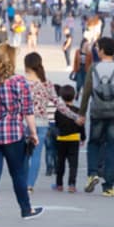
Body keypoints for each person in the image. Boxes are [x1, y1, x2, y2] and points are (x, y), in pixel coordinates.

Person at [0, 44, 44, 220]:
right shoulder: (19, 82)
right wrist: (33, 133)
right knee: (18, 172)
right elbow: (28, 110)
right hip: (12, 133)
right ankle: (25, 209)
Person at [79, 36, 114, 196]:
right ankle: (108, 186)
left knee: (94, 143)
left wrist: (82, 113)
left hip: (97, 113)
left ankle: (92, 174)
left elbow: (86, 92)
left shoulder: (93, 68)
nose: (96, 50)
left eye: (97, 47)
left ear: (102, 51)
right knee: (112, 147)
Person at [23, 52, 82, 192]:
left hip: (24, 123)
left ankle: (23, 181)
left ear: (26, 65)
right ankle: (29, 185)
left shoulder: (22, 83)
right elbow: (60, 105)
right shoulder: (47, 83)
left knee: (23, 155)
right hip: (42, 124)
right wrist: (75, 116)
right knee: (36, 155)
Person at [52, 85, 85, 192]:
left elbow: (56, 124)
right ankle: (72, 184)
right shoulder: (78, 110)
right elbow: (81, 126)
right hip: (74, 139)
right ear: (74, 96)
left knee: (60, 163)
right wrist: (83, 137)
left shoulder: (59, 111)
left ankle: (59, 184)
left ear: (61, 96)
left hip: (61, 139)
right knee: (73, 164)